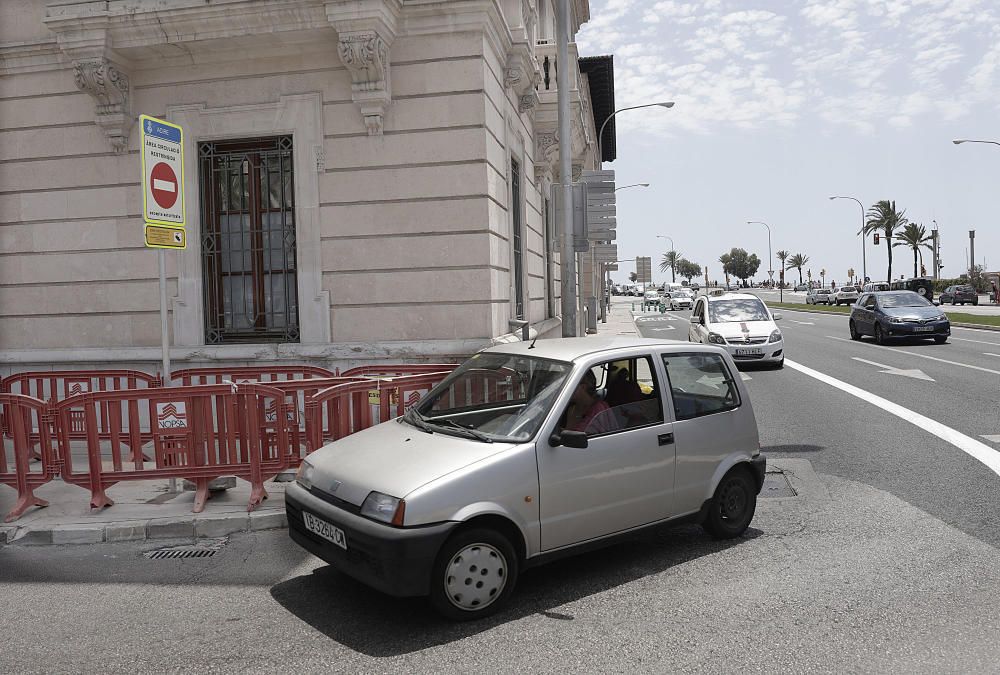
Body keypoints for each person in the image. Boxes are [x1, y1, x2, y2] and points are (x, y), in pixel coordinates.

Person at [564, 370, 617, 435]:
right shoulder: (572, 409)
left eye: (569, 386)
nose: (565, 390)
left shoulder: (599, 410)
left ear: (583, 387)